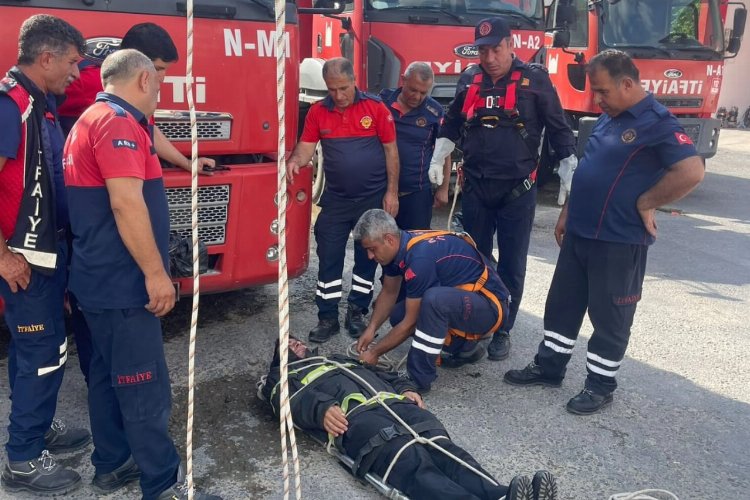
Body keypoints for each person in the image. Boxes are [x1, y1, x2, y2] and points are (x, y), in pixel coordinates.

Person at [503, 50, 704, 415]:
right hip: (580, 232)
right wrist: (566, 212)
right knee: (562, 305)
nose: (598, 99)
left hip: (619, 238)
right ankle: (550, 367)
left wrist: (647, 202)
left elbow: (691, 171)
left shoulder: (657, 121)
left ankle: (599, 385)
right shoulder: (610, 117)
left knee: (610, 317)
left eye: (603, 91)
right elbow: (588, 169)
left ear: (627, 83)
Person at [63, 49, 220, 499]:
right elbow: (126, 203)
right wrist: (155, 274)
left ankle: (111, 465)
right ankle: (162, 484)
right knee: (142, 387)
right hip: (122, 283)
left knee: (107, 378)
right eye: (161, 84)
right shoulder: (117, 125)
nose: (160, 95)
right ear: (146, 80)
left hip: (95, 280)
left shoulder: (94, 117)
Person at [60, 22, 215, 385]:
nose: (160, 82)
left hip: (94, 254)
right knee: (136, 381)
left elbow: (147, 128)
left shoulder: (118, 109)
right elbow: (125, 203)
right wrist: (156, 274)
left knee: (104, 363)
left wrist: (186, 163)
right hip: (110, 259)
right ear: (139, 70)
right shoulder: (99, 102)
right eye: (158, 71)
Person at [430, 17, 577, 362]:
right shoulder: (470, 79)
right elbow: (452, 121)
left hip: (518, 189)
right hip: (477, 186)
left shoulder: (535, 80)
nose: (490, 57)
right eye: (483, 50)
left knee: (513, 263)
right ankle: (476, 320)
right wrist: (440, 154)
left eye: (496, 49)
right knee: (476, 259)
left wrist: (569, 163)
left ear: (511, 45)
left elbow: (558, 126)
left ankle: (503, 329)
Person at [259, 337, 559, 500]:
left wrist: (404, 388)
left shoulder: (340, 359)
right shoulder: (282, 377)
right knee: (412, 461)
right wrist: (321, 408)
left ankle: (501, 495)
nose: (296, 343)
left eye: (296, 340)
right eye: (287, 345)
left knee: (444, 450)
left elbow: (386, 373)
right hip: (358, 420)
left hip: (397, 406)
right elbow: (282, 399)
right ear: (280, 358)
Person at [0, 14, 92, 496]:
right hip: (23, 263)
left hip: (47, 258)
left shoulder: (42, 107)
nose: (77, 74)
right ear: (46, 58)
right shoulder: (9, 106)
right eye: (73, 64)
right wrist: (2, 257)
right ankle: (21, 460)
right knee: (40, 355)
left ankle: (35, 430)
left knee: (41, 351)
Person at [286, 57, 400, 343]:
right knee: (329, 257)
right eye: (332, 89)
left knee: (367, 260)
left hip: (371, 199)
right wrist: (294, 162)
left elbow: (391, 151)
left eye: (343, 88)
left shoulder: (375, 108)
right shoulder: (317, 112)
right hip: (336, 199)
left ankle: (357, 312)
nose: (338, 95)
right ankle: (327, 318)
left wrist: (392, 192)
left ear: (354, 82)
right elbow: (306, 147)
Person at [354, 209, 509, 392]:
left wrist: (374, 353)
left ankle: (418, 378)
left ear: (389, 239)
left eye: (372, 249)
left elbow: (411, 324)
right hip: (467, 300)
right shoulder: (399, 247)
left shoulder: (419, 258)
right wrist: (371, 329)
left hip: (491, 305)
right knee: (398, 314)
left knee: (433, 302)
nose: (370, 256)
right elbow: (389, 292)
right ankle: (465, 348)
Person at [379, 62, 451, 230]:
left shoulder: (434, 111)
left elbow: (444, 151)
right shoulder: (382, 102)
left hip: (417, 195)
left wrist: (443, 188)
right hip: (380, 190)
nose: (417, 97)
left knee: (416, 247)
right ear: (403, 80)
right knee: (380, 248)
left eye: (423, 93)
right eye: (413, 90)